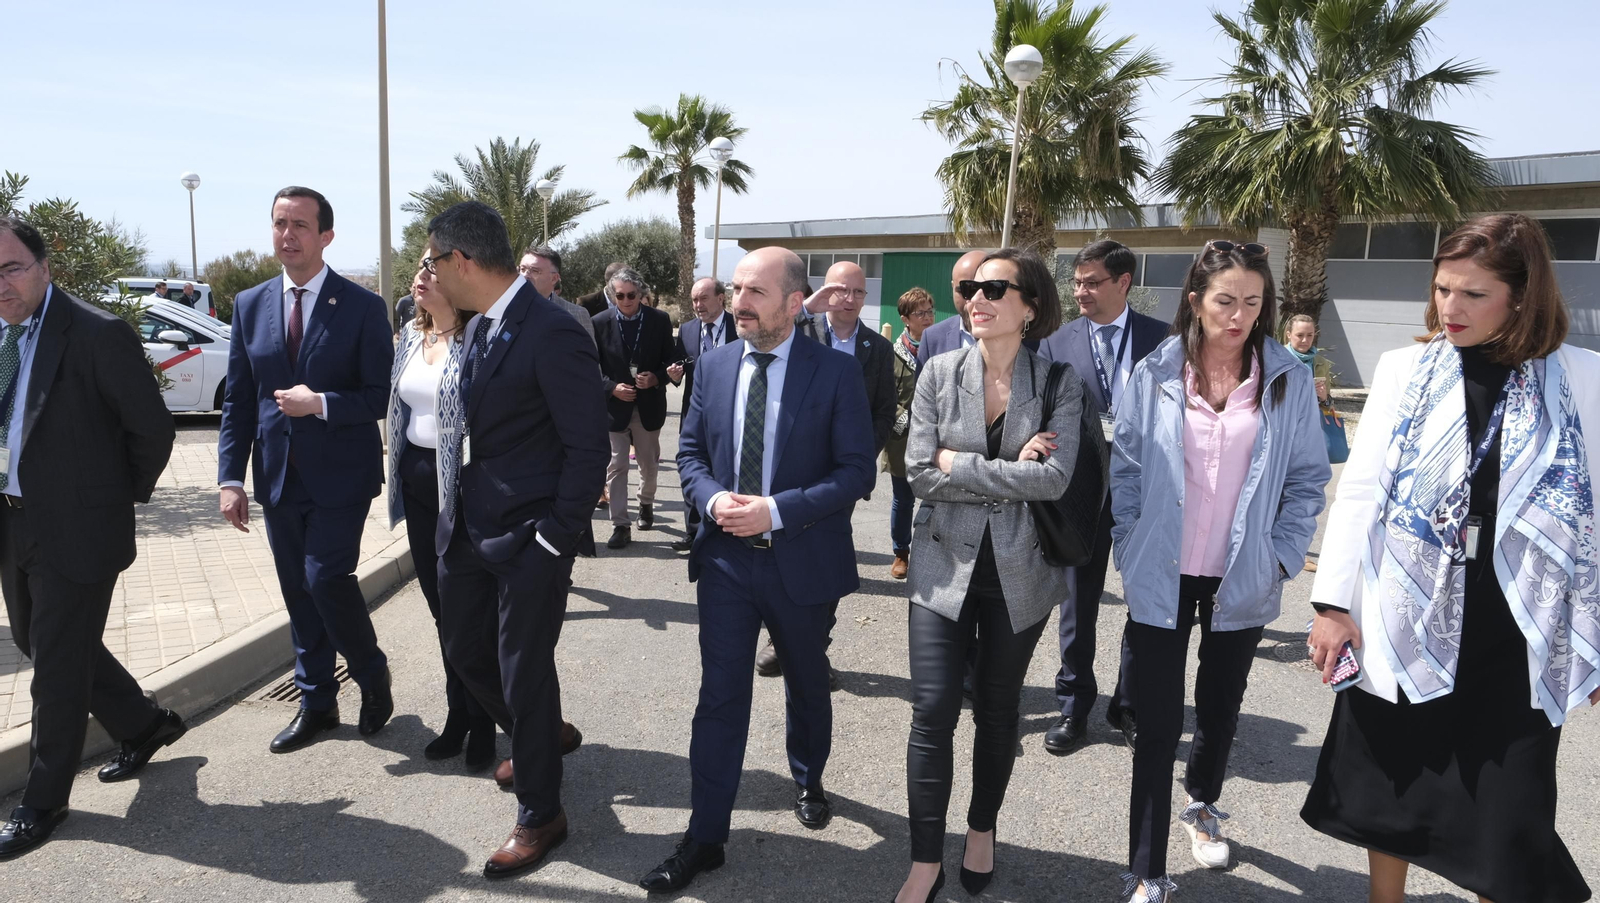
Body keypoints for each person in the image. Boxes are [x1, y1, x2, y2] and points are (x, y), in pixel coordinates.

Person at [1301, 213, 1599, 903]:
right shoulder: (1405, 368)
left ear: (1522, 297)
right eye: (1442, 290)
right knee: (1392, 780)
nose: (1450, 308)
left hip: (1517, 624)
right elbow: (1363, 491)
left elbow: (1594, 510)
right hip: (1408, 609)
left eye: (1473, 294)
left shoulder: (1581, 377)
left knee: (1509, 805)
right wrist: (1333, 605)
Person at [637, 247, 874, 894]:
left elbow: (857, 470)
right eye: (736, 289)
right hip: (724, 565)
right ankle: (705, 835)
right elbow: (688, 453)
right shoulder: (711, 368)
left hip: (802, 561)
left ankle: (808, 775)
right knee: (720, 697)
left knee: (806, 682)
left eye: (755, 292)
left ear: (795, 304)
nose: (739, 301)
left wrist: (774, 510)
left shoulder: (833, 373)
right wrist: (712, 499)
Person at [1111, 239, 1328, 901]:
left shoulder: (1285, 377)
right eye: (1226, 300)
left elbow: (1308, 479)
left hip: (1243, 572)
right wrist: (1131, 542)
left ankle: (1202, 800)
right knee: (1154, 721)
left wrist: (1284, 555)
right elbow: (1125, 468)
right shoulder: (1154, 373)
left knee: (1219, 708)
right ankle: (1147, 868)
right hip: (1163, 570)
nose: (1239, 315)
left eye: (1253, 302)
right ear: (1197, 301)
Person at [425, 201, 610, 879]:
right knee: (464, 651)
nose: (429, 272)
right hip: (469, 531)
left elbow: (589, 449)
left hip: (532, 539)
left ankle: (542, 813)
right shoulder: (478, 329)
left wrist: (556, 540)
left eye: (432, 260)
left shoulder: (552, 329)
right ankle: (543, 733)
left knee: (521, 669)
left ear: (461, 261)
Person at [893, 248, 1078, 903]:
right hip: (942, 568)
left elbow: (1054, 478)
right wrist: (1009, 473)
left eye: (996, 287)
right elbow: (919, 471)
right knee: (932, 710)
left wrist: (961, 462)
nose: (977, 296)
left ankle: (980, 828)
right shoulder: (938, 371)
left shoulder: (1059, 382)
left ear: (1029, 305)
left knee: (998, 713)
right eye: (972, 286)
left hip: (1019, 576)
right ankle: (923, 860)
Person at [0, 217, 181, 859]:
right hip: (13, 516)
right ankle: (143, 723)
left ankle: (42, 801)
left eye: (11, 267)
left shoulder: (97, 334)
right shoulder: (1, 336)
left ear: (46, 268)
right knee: (39, 639)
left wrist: (106, 498)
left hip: (77, 527)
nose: (2, 284)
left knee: (53, 664)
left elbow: (152, 432)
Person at [216, 186, 395, 753]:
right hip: (278, 478)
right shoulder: (250, 304)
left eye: (299, 225)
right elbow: (239, 401)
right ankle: (316, 702)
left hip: (342, 475)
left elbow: (377, 397)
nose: (286, 234)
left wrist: (319, 402)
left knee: (324, 579)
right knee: (297, 590)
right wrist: (230, 478)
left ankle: (370, 673)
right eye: (278, 223)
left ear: (326, 237)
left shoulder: (363, 307)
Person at [1037, 239, 1168, 755]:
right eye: (1077, 282)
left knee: (1145, 602)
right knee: (1077, 604)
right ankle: (1074, 707)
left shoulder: (1164, 339)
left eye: (1092, 282)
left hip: (1147, 491)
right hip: (1081, 493)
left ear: (1123, 283)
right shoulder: (1056, 343)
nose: (1081, 291)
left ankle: (1129, 705)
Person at [754, 261, 894, 681]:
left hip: (839, 481)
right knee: (779, 554)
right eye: (839, 290)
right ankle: (781, 638)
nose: (848, 299)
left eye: (857, 292)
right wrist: (802, 313)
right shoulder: (799, 332)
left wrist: (858, 460)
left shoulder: (877, 348)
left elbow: (883, 412)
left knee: (825, 561)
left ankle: (814, 648)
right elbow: (754, 346)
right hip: (789, 470)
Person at [384, 255, 495, 770]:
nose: (422, 275)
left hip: (463, 488)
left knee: (469, 613)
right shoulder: (410, 334)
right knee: (439, 609)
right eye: (421, 268)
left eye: (434, 269)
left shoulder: (479, 340)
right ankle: (459, 714)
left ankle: (485, 722)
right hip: (417, 484)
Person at [592, 266, 673, 550]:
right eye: (619, 295)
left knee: (648, 465)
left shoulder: (659, 320)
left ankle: (646, 504)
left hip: (648, 405)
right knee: (616, 465)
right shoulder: (599, 322)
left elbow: (672, 361)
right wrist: (611, 387)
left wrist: (656, 378)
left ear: (640, 294)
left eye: (631, 295)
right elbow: (591, 367)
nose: (625, 300)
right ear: (612, 295)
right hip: (615, 407)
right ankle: (620, 525)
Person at [668, 277, 736, 553]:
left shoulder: (738, 327)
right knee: (693, 467)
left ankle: (727, 527)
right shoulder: (686, 330)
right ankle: (693, 532)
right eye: (694, 300)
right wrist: (673, 376)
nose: (697, 305)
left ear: (721, 298)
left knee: (726, 469)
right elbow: (678, 367)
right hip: (695, 412)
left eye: (703, 298)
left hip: (731, 412)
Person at [884, 287, 934, 579]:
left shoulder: (943, 346)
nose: (928, 317)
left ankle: (933, 552)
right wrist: (908, 417)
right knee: (903, 499)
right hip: (902, 437)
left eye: (930, 311)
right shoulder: (892, 354)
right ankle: (901, 552)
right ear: (905, 318)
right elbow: (885, 399)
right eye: (920, 313)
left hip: (938, 437)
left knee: (936, 498)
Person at [1282, 313, 1337, 573]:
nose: (1304, 340)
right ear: (1288, 336)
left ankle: (1297, 551)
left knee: (1304, 494)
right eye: (1299, 335)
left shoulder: (1321, 364)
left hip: (1308, 437)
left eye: (1309, 335)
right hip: (1282, 434)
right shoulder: (1276, 359)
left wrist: (1324, 398)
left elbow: (1329, 408)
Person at [917, 249, 987, 364]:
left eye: (985, 290)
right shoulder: (932, 338)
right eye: (964, 290)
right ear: (952, 287)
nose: (973, 300)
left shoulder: (1021, 342)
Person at [518, 246, 595, 345]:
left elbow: (588, 358)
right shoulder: (506, 309)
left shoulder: (576, 314)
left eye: (535, 271)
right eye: (522, 269)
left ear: (554, 278)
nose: (525, 275)